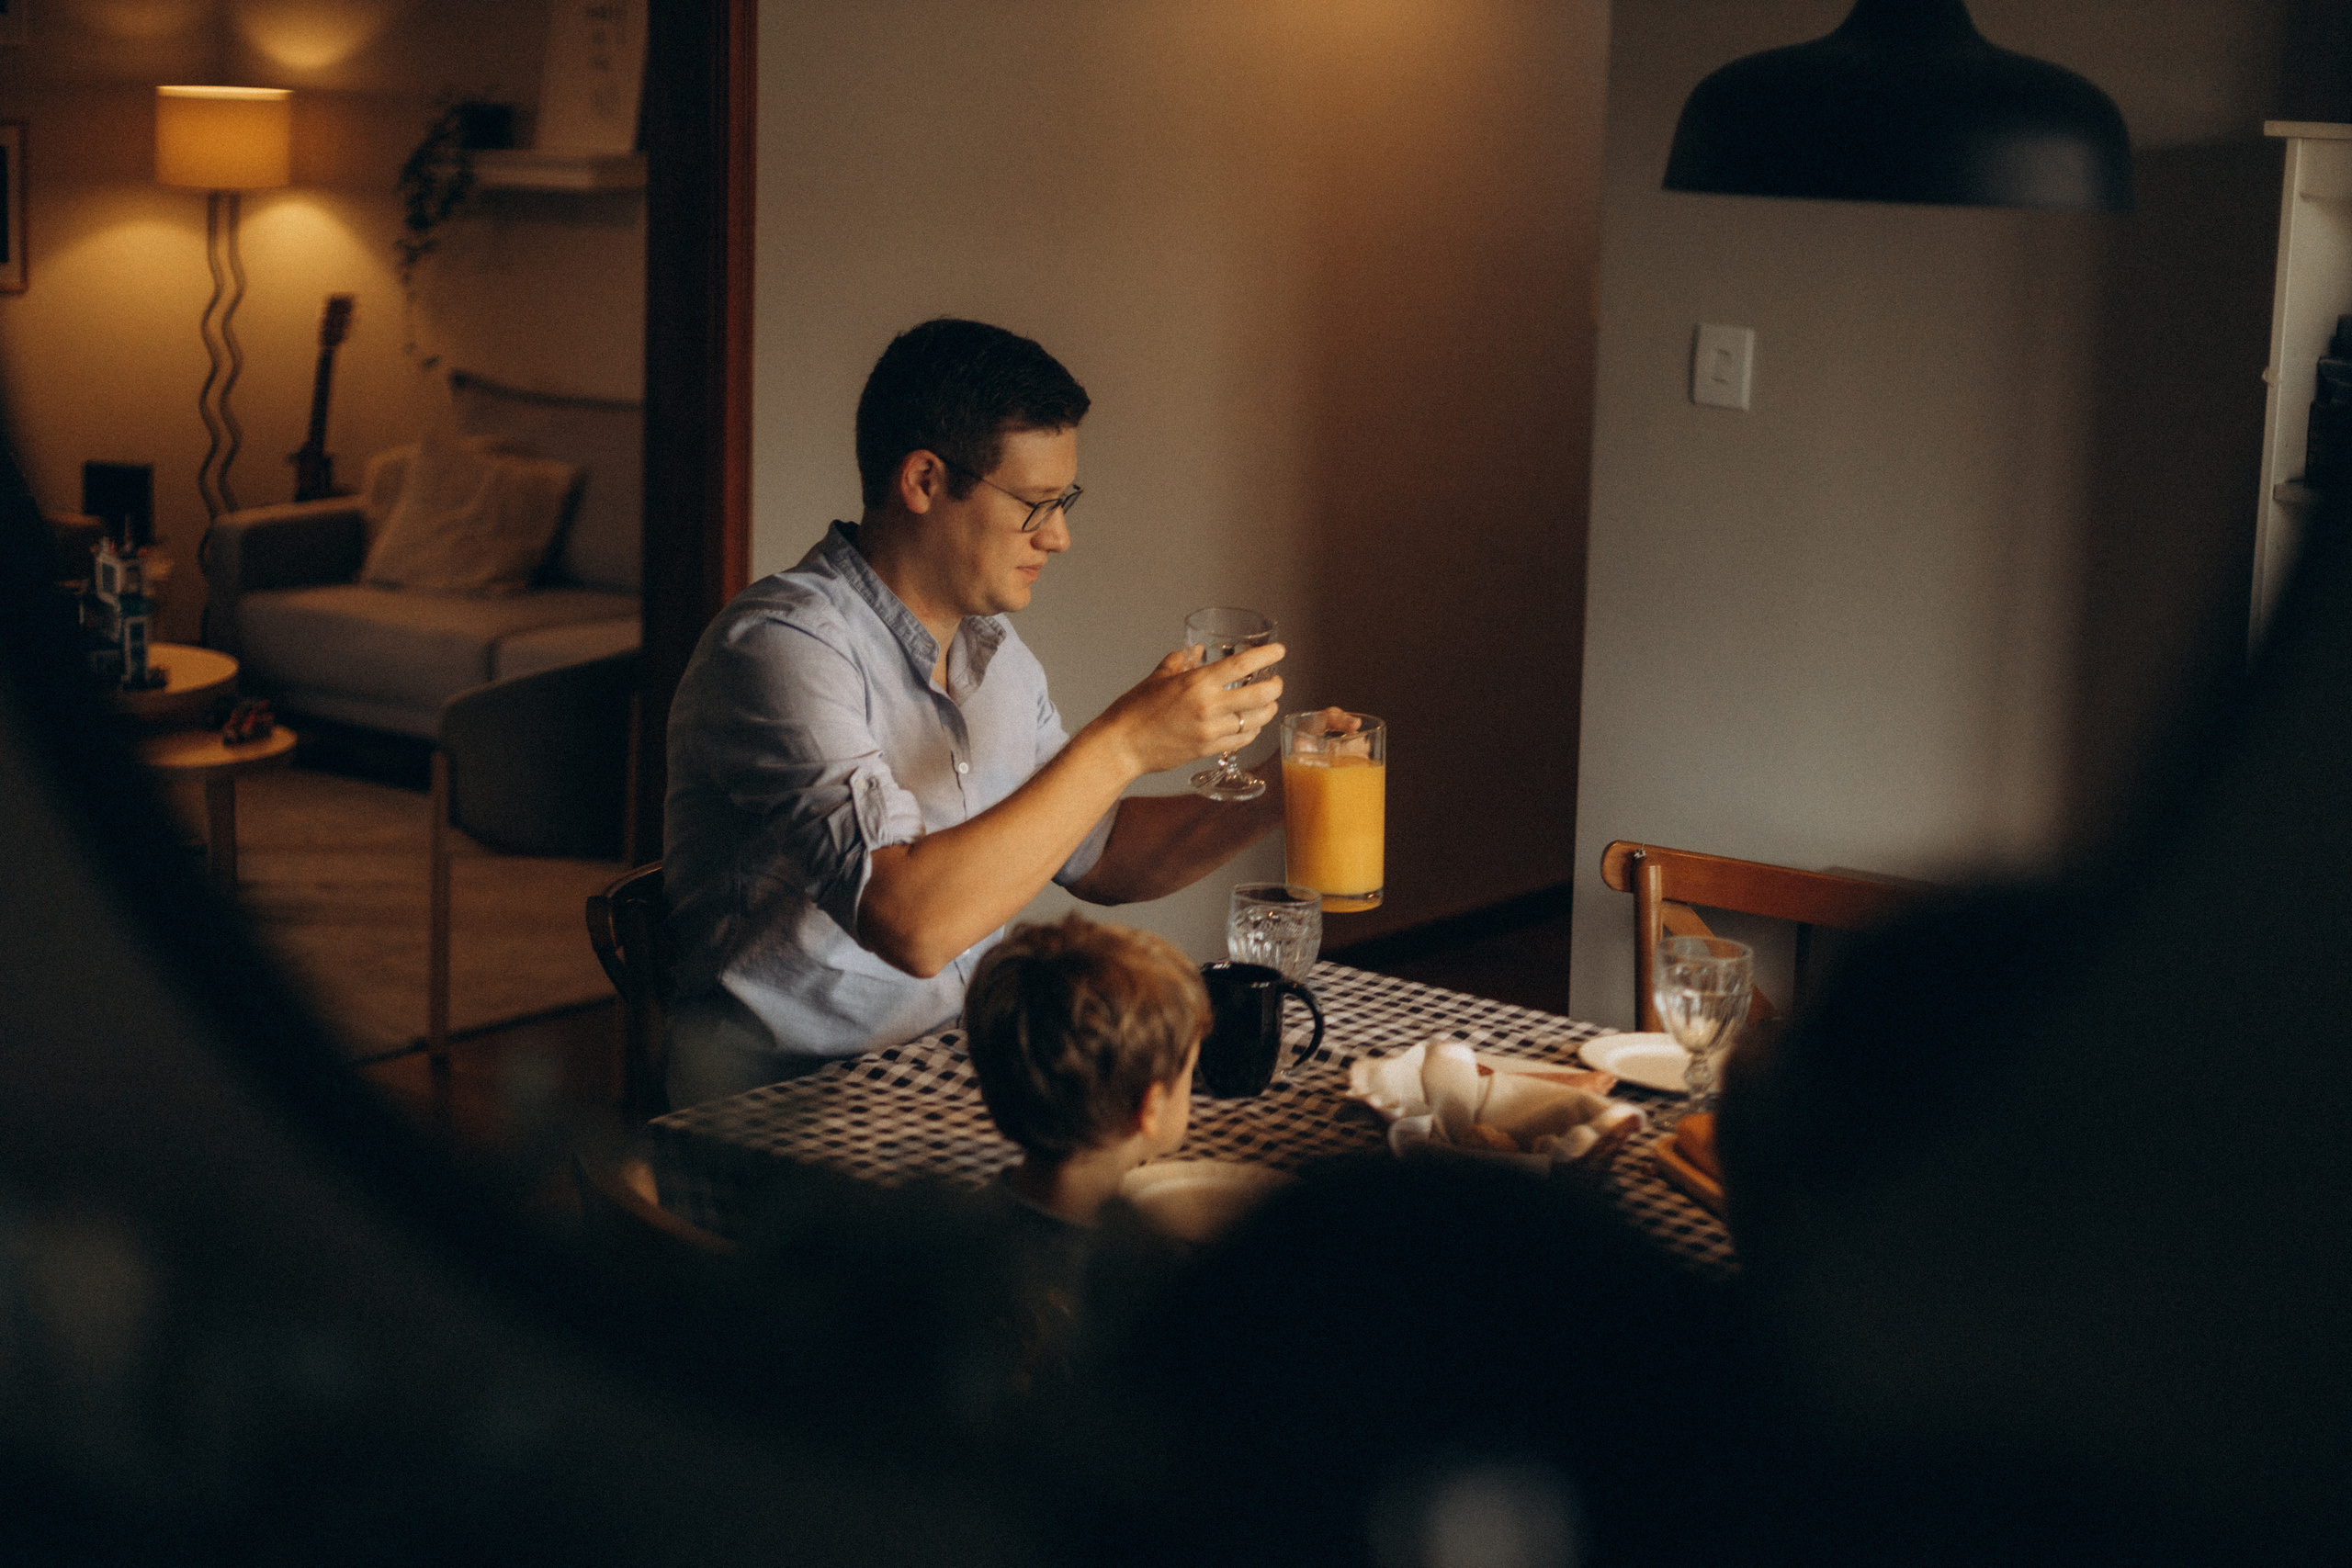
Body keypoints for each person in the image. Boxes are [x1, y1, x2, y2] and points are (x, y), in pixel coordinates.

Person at [662, 318, 1284, 1105]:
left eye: (1066, 502)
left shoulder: (995, 657)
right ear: (924, 480)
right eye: (1035, 503)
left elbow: (1100, 852)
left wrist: (1281, 789)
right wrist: (1125, 742)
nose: (1058, 537)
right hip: (782, 1111)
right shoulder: (782, 647)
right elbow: (911, 925)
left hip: (951, 1080)